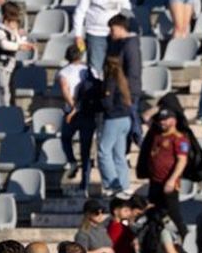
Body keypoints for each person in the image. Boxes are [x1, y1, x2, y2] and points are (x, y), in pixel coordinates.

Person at [73, 0, 132, 74]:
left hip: (115, 35)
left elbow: (126, 8)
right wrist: (77, 34)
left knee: (115, 69)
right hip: (95, 34)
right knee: (95, 70)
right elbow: (80, 11)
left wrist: (124, 28)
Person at [0, 2, 36, 131]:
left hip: (9, 65)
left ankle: (7, 113)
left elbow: (18, 40)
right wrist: (19, 46)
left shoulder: (12, 30)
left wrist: (26, 44)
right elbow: (3, 44)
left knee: (7, 88)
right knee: (2, 88)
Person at [144, 109, 191, 232]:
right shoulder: (157, 133)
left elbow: (182, 161)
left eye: (165, 119)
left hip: (168, 183)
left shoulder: (179, 138)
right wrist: (160, 104)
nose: (162, 122)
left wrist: (172, 180)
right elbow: (146, 117)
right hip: (155, 181)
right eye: (161, 120)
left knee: (173, 214)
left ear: (173, 121)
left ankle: (185, 237)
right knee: (152, 213)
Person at [58, 42, 97, 191]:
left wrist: (74, 107)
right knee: (85, 150)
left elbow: (65, 89)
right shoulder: (89, 70)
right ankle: (84, 184)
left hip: (72, 112)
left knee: (65, 138)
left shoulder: (64, 72)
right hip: (88, 112)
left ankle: (72, 161)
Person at [96, 53, 135, 194]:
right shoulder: (122, 81)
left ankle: (112, 183)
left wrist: (97, 100)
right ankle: (124, 185)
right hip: (125, 119)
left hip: (114, 119)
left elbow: (107, 102)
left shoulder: (110, 81)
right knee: (119, 154)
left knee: (103, 151)